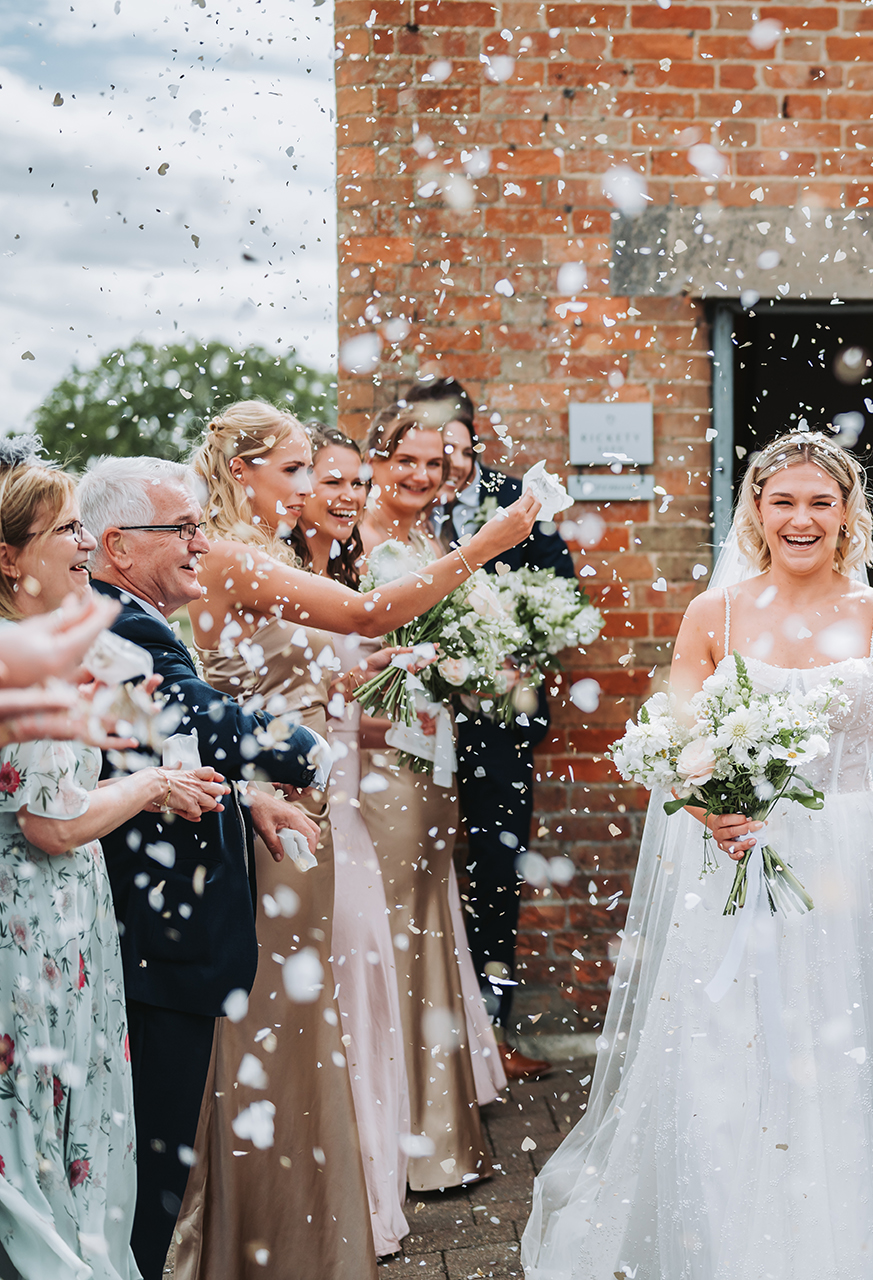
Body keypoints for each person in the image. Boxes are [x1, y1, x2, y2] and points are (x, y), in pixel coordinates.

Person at [523, 429, 873, 1278]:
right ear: (755, 510)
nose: (802, 518)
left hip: (847, 860)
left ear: (850, 514)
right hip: (737, 861)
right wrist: (707, 809)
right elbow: (678, 742)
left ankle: (843, 1236)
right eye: (783, 500)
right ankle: (728, 1237)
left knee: (842, 1046)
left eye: (822, 501)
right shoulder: (716, 614)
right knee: (729, 1040)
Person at [168, 402, 536, 1274]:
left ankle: (311, 1216)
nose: (314, 488)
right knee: (279, 1021)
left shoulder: (269, 558)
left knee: (314, 1013)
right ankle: (267, 1227)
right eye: (295, 470)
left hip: (314, 797)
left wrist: (367, 685)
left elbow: (328, 656)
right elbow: (369, 612)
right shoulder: (225, 557)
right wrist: (489, 541)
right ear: (242, 469)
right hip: (273, 811)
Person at [76, 456, 325, 1280]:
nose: (201, 541)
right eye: (182, 527)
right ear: (117, 545)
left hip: (160, 937)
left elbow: (160, 741)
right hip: (151, 940)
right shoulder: (119, 622)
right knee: (147, 1170)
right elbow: (193, 716)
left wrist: (250, 798)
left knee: (153, 1165)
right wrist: (305, 751)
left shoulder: (128, 612)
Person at [0, 454, 224, 1280]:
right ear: (9, 557)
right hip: (30, 934)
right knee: (36, 1138)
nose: (84, 543)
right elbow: (52, 823)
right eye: (65, 530)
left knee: (63, 1129)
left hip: (63, 926)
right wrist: (155, 785)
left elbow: (134, 729)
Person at [354, 403, 512, 1190]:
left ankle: (436, 1127)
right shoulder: (357, 541)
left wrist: (464, 659)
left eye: (434, 466)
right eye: (403, 460)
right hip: (381, 754)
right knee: (392, 928)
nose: (420, 476)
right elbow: (364, 637)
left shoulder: (425, 542)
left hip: (433, 750)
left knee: (429, 916)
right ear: (375, 458)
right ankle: (401, 1135)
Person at [412, 377, 577, 1080]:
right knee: (419, 874)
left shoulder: (517, 504)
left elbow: (561, 595)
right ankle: (422, 1046)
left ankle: (493, 1034)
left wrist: (517, 649)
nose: (439, 464)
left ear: (472, 437)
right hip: (411, 728)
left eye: (450, 446)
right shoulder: (399, 505)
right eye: (427, 446)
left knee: (497, 875)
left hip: (496, 729)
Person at [301, 425, 416, 1254]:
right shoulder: (275, 580)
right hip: (301, 815)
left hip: (342, 805)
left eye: (352, 483)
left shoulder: (333, 573)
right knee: (324, 999)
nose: (346, 496)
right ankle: (320, 1194)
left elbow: (341, 716)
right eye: (327, 481)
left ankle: (363, 1190)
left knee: (361, 983)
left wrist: (380, 697)